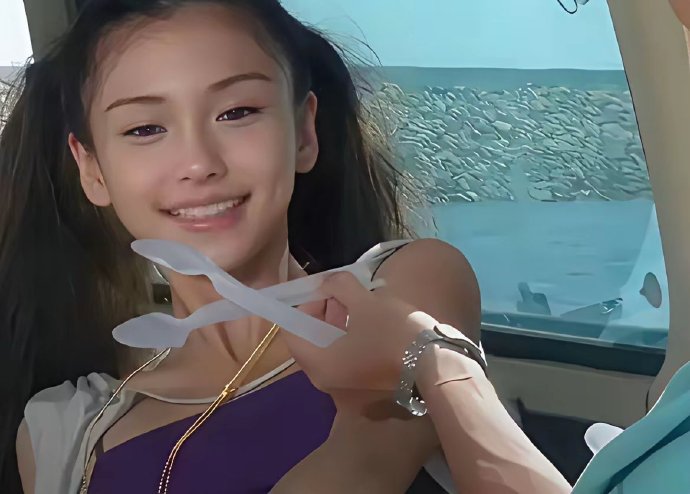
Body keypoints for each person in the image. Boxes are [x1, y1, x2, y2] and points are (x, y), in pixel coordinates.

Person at [0, 1, 571, 493]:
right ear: (92, 169)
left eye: (237, 112)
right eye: (145, 129)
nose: (199, 163)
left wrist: (434, 361)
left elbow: (366, 462)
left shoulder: (396, 290)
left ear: (303, 132)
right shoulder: (65, 430)